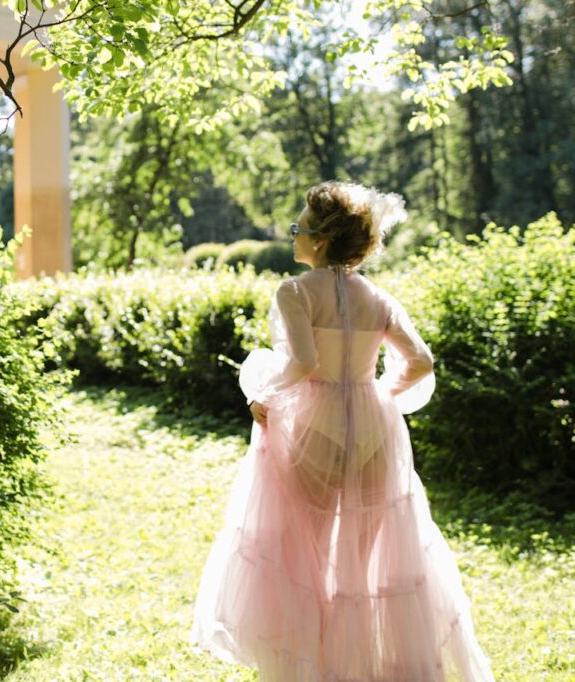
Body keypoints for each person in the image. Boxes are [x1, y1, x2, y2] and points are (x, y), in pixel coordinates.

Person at [189, 181, 495, 681]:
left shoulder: (294, 292)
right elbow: (420, 362)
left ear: (322, 240)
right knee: (364, 560)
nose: (293, 236)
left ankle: (314, 666)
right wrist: (377, 395)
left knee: (304, 555)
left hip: (315, 430)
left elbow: (303, 362)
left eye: (299, 228)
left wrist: (263, 394)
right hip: (374, 432)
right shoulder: (377, 298)